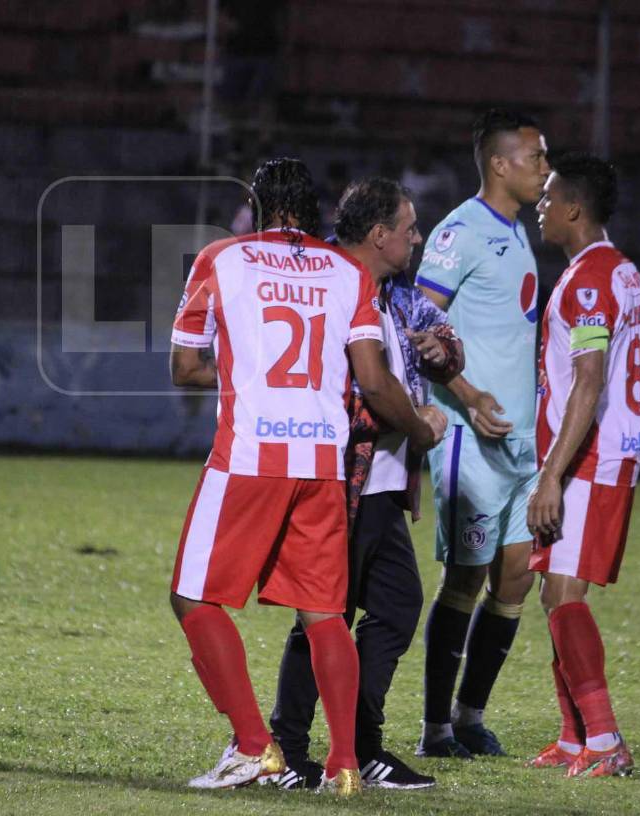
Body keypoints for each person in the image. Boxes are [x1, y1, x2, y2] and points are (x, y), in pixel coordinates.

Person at [167, 158, 443, 796]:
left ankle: (253, 747)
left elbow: (184, 366)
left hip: (249, 454)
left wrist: (245, 371)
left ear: (258, 208)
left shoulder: (222, 257)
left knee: (192, 595)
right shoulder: (345, 271)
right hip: (323, 460)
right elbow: (371, 378)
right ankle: (344, 764)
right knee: (323, 612)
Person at [267, 178, 461, 790]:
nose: (418, 237)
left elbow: (446, 340)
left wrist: (441, 350)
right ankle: (288, 747)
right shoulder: (324, 282)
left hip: (379, 486)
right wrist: (419, 423)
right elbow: (347, 393)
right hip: (334, 483)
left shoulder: (395, 292)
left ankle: (360, 742)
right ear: (379, 236)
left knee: (395, 606)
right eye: (409, 228)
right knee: (325, 614)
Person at [413, 109, 550, 759]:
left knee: (516, 579)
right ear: (500, 164)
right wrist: (466, 393)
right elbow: (416, 327)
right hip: (470, 436)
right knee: (466, 579)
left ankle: (471, 716)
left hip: (522, 443)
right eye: (536, 158)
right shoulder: (459, 232)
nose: (545, 169)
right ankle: (436, 727)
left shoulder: (521, 232)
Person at [526, 152, 640, 778]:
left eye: (547, 198)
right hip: (601, 455)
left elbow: (589, 380)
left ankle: (604, 740)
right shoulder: (620, 271)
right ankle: (574, 737)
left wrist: (551, 473)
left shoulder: (591, 281)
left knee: (565, 594)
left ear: (573, 208)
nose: (539, 207)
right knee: (554, 593)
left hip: (590, 460)